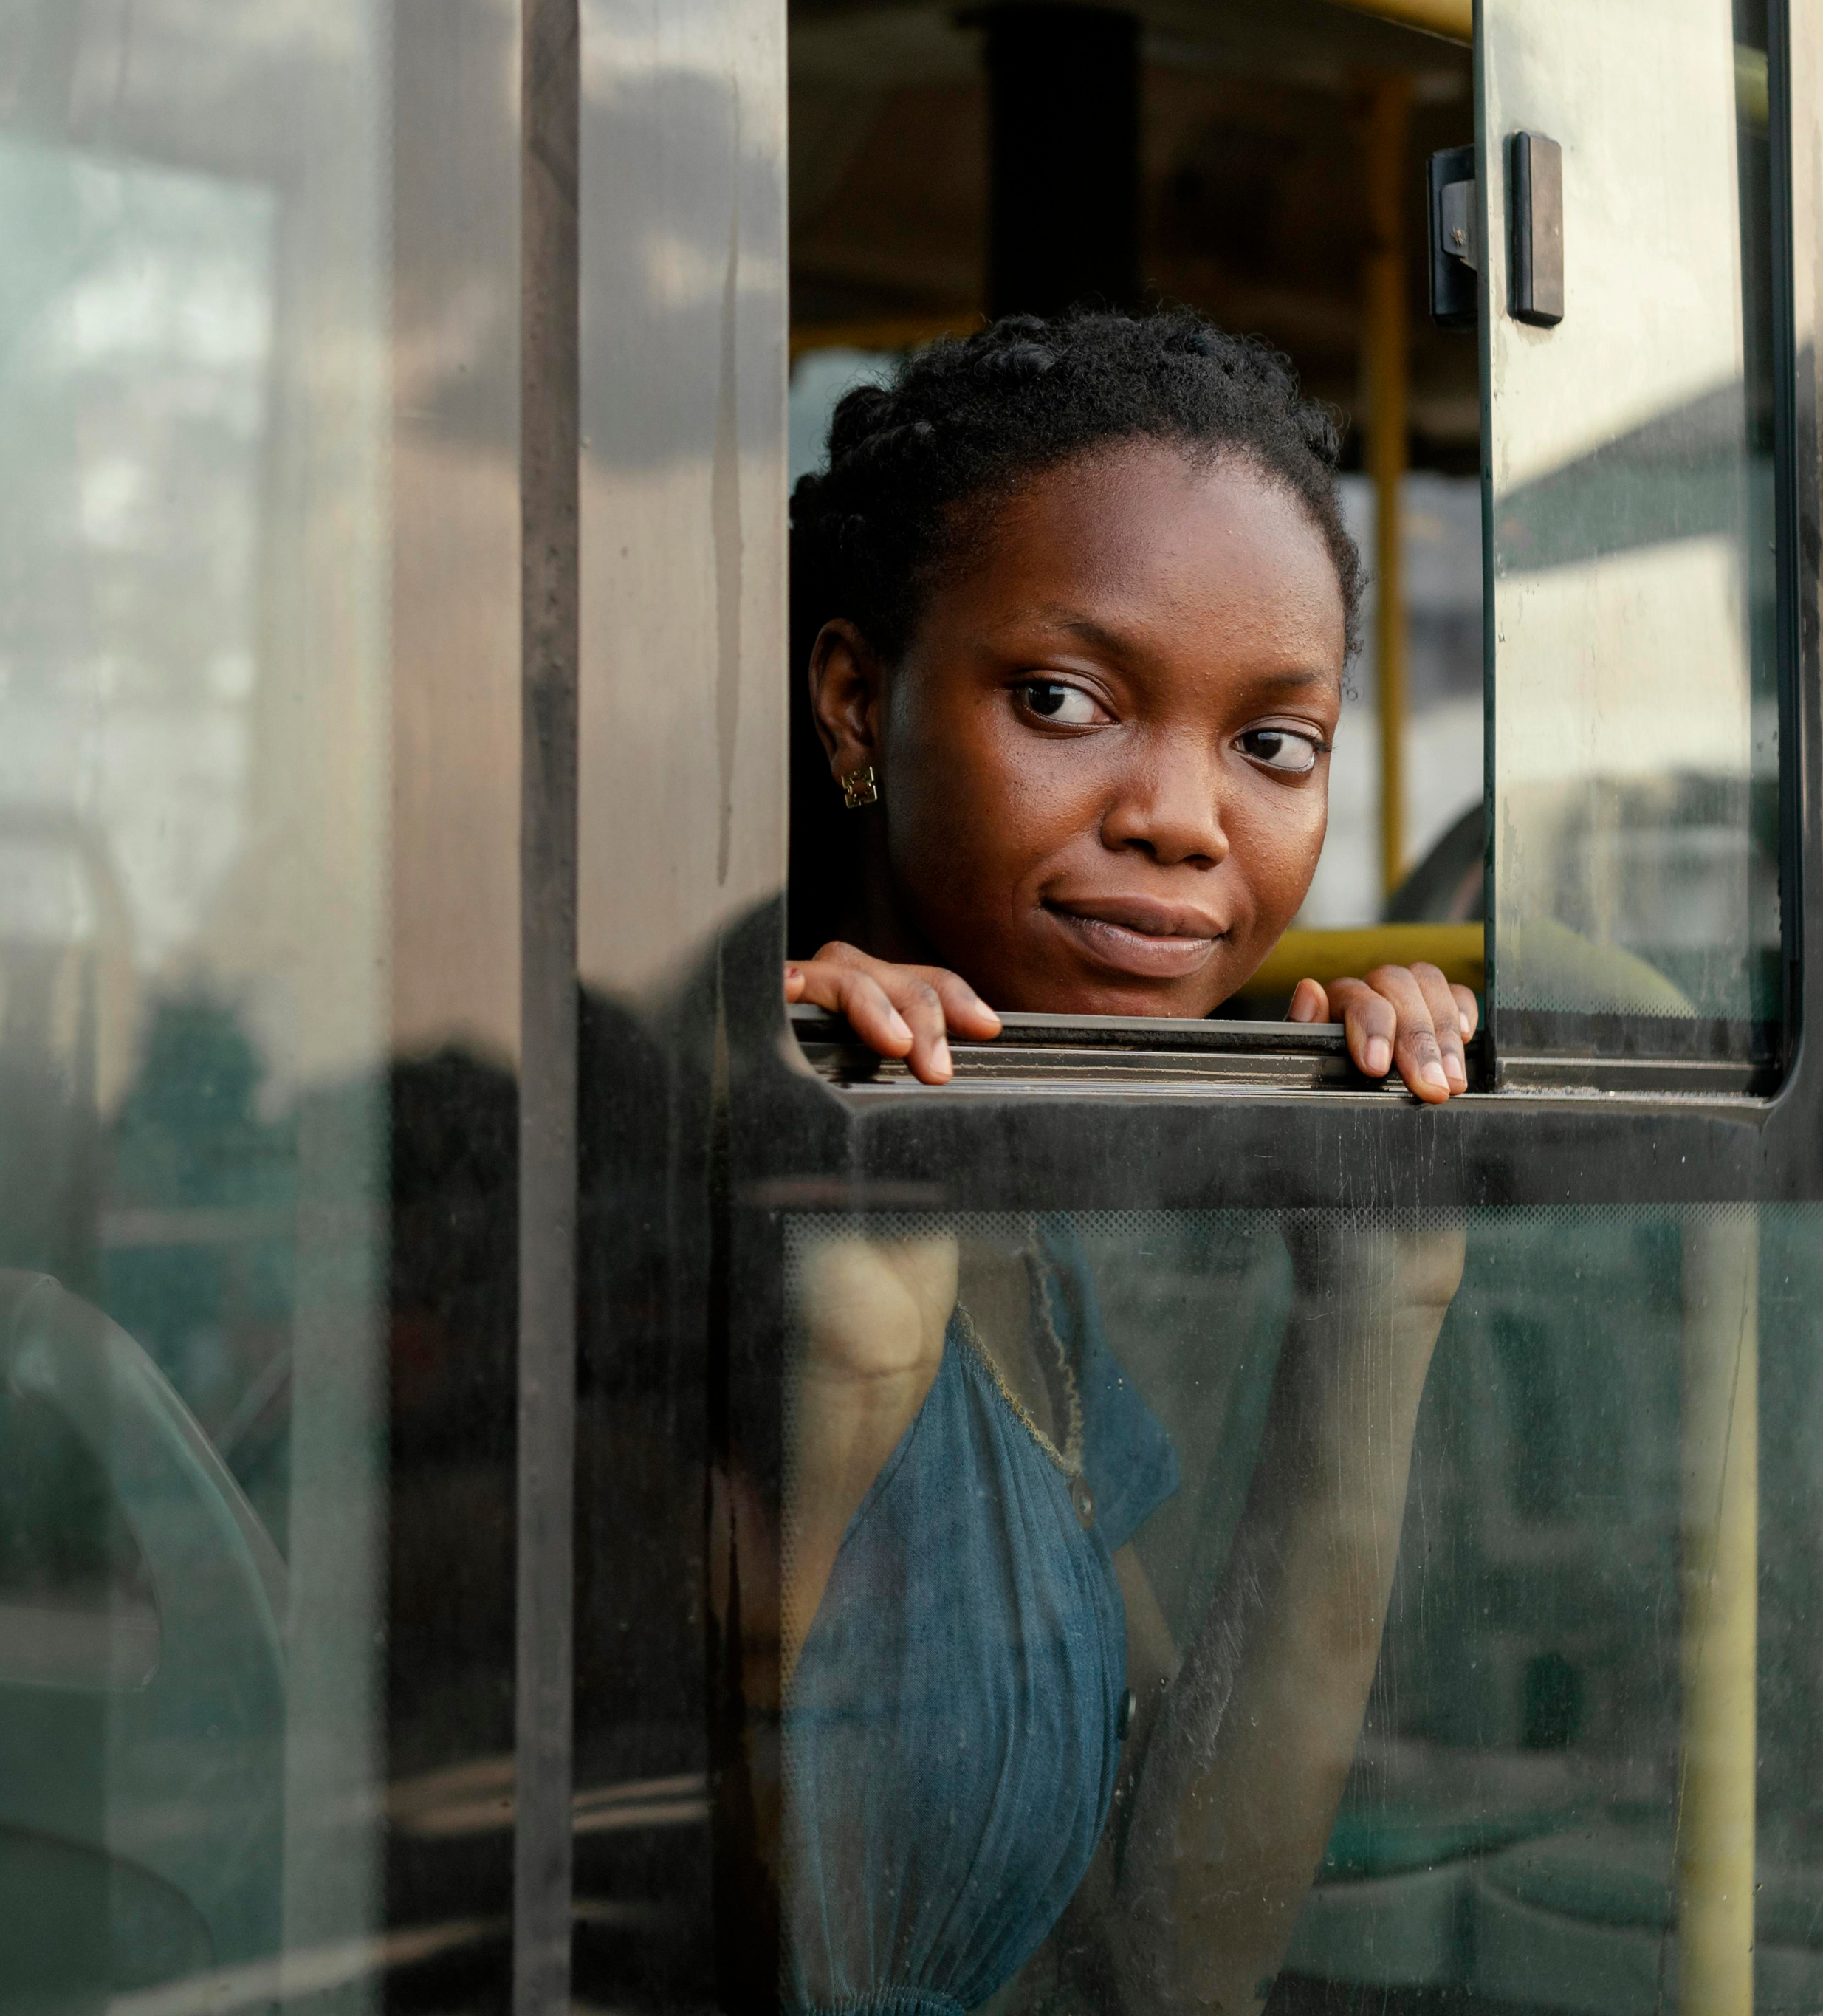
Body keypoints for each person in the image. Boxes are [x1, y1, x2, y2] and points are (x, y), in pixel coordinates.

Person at [772, 309, 1470, 2015]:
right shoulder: (702, 1134)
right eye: (1064, 699)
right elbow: (594, 1884)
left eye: (1272, 746)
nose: (1182, 815)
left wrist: (1382, 1305)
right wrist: (841, 1378)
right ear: (856, 701)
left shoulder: (1026, 1242)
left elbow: (1175, 1946)